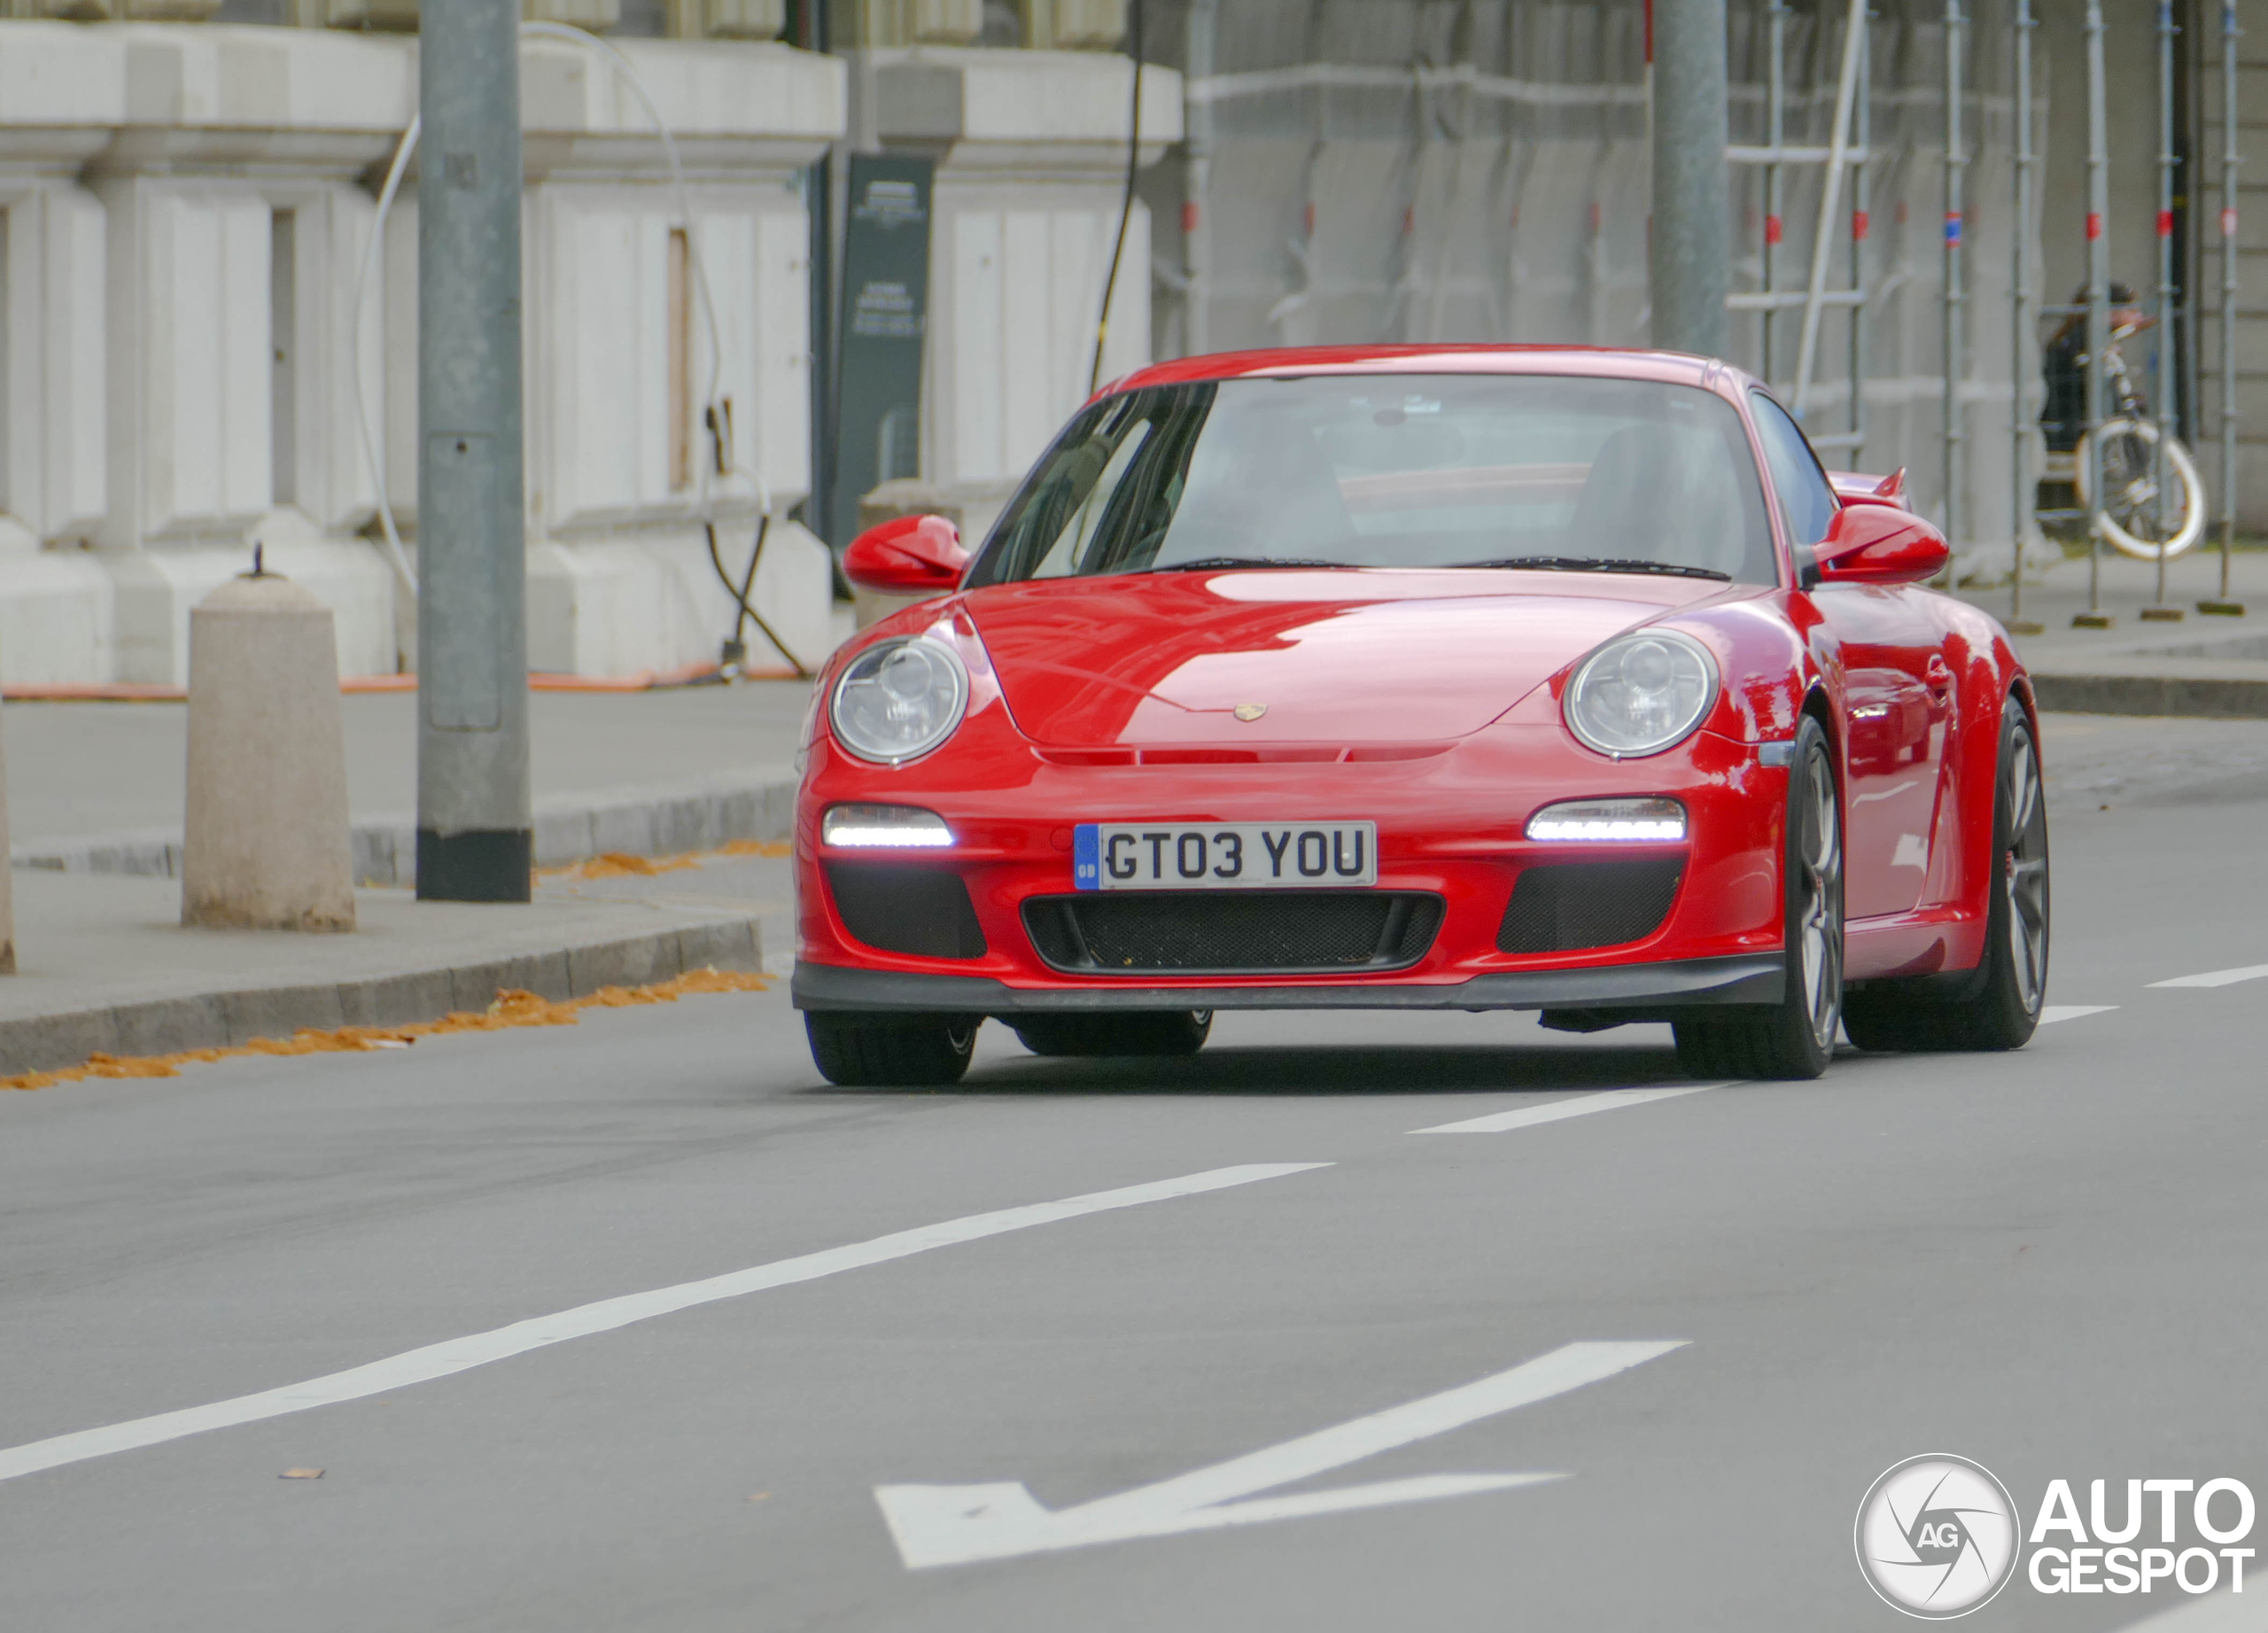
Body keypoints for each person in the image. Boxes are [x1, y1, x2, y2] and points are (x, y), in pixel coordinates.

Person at [2041, 282, 2146, 452]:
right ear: (2110, 312)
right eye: (2132, 310)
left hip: (2073, 432)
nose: (2139, 317)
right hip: (2072, 437)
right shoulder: (2085, 344)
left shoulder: (2077, 339)